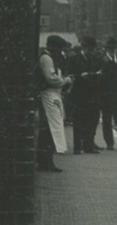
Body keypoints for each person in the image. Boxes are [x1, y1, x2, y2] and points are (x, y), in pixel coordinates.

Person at [34, 36, 70, 171]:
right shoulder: (46, 59)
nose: (60, 52)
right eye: (59, 49)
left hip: (53, 95)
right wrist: (65, 81)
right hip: (48, 95)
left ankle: (47, 160)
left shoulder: (50, 58)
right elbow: (51, 78)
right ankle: (45, 161)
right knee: (49, 129)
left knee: (50, 130)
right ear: (53, 47)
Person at [73, 35, 105, 153]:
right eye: (88, 49)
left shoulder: (95, 59)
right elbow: (70, 75)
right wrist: (80, 76)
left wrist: (96, 75)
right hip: (80, 95)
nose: (90, 52)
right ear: (83, 47)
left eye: (92, 49)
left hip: (93, 94)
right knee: (79, 121)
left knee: (92, 120)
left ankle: (88, 145)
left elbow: (102, 73)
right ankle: (77, 147)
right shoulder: (75, 59)